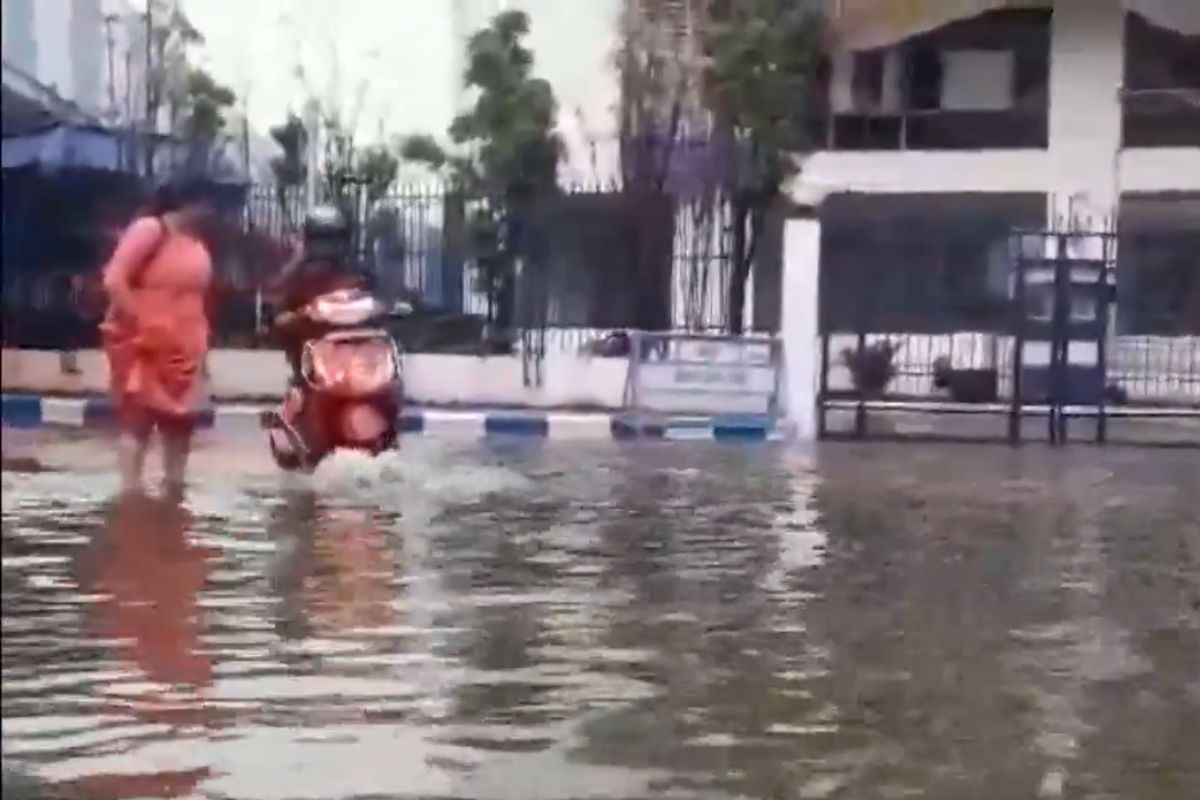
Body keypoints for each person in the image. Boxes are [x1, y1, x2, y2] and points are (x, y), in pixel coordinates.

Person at [99, 175, 216, 500]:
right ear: (190, 202)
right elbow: (114, 280)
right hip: (147, 343)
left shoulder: (195, 241)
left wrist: (204, 360)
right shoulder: (150, 229)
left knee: (180, 426)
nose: (211, 212)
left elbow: (199, 300)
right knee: (138, 420)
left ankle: (174, 496)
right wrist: (144, 322)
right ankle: (131, 496)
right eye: (207, 204)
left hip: (186, 346)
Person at [266, 204, 370, 417]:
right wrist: (301, 316)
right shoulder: (295, 275)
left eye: (333, 239)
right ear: (308, 241)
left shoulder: (357, 273)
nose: (327, 247)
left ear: (344, 240)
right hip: (313, 362)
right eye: (321, 240)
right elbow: (276, 317)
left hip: (355, 359)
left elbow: (378, 301)